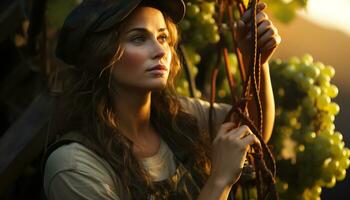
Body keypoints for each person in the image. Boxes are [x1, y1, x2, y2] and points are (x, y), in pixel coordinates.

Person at [43, 0, 281, 199]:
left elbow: (255, 129)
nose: (160, 51)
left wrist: (256, 60)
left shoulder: (177, 115)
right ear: (101, 54)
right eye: (138, 38)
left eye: (163, 37)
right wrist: (219, 180)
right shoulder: (73, 167)